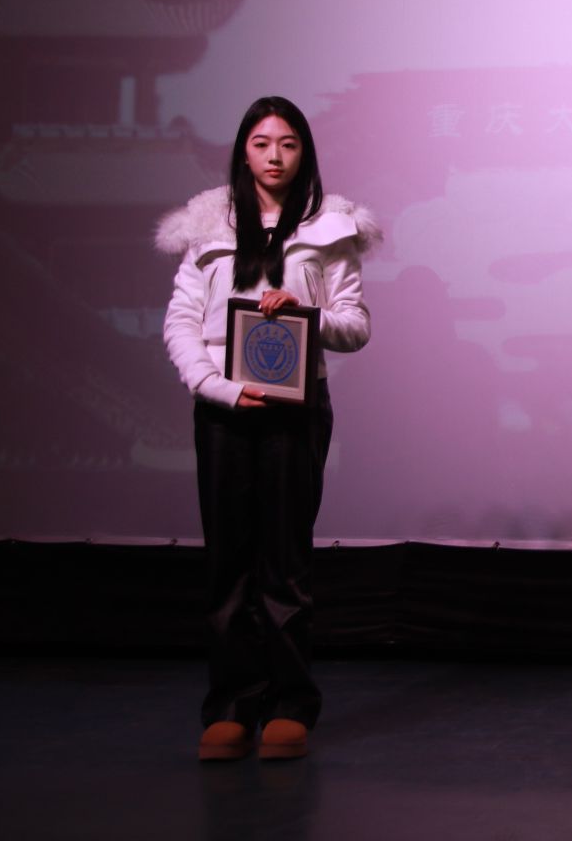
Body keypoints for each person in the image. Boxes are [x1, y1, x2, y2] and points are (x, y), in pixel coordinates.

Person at [157, 95, 379, 762]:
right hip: (223, 410)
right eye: (261, 143)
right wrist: (218, 387)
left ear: (304, 151)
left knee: (286, 562)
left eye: (287, 143)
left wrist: (305, 312)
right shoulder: (209, 226)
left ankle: (288, 705)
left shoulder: (330, 227)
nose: (275, 156)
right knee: (229, 562)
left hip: (296, 409)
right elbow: (181, 322)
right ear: (242, 152)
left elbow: (355, 326)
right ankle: (231, 706)